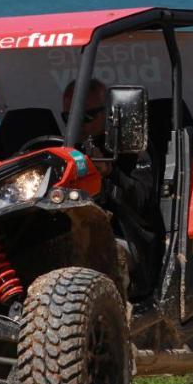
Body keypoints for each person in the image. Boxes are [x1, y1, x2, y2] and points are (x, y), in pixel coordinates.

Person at [62, 79, 160, 299]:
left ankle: (114, 325)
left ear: (109, 112)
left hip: (127, 237)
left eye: (86, 117)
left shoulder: (132, 145)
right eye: (69, 118)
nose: (78, 125)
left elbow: (142, 201)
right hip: (74, 236)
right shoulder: (67, 149)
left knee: (100, 255)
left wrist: (110, 173)